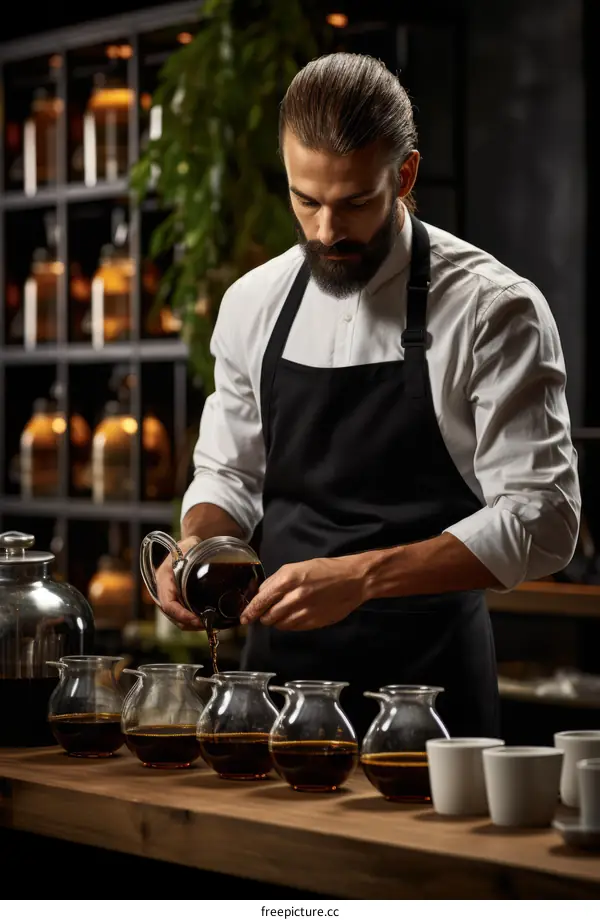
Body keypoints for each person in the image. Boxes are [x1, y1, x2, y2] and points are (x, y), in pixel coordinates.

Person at [155, 52, 581, 739]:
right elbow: (229, 473)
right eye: (306, 200)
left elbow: (544, 519)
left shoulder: (492, 309)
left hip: (431, 703)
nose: (326, 232)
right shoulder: (252, 304)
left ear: (404, 175)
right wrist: (201, 545)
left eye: (354, 202)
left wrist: (361, 577)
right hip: (277, 697)